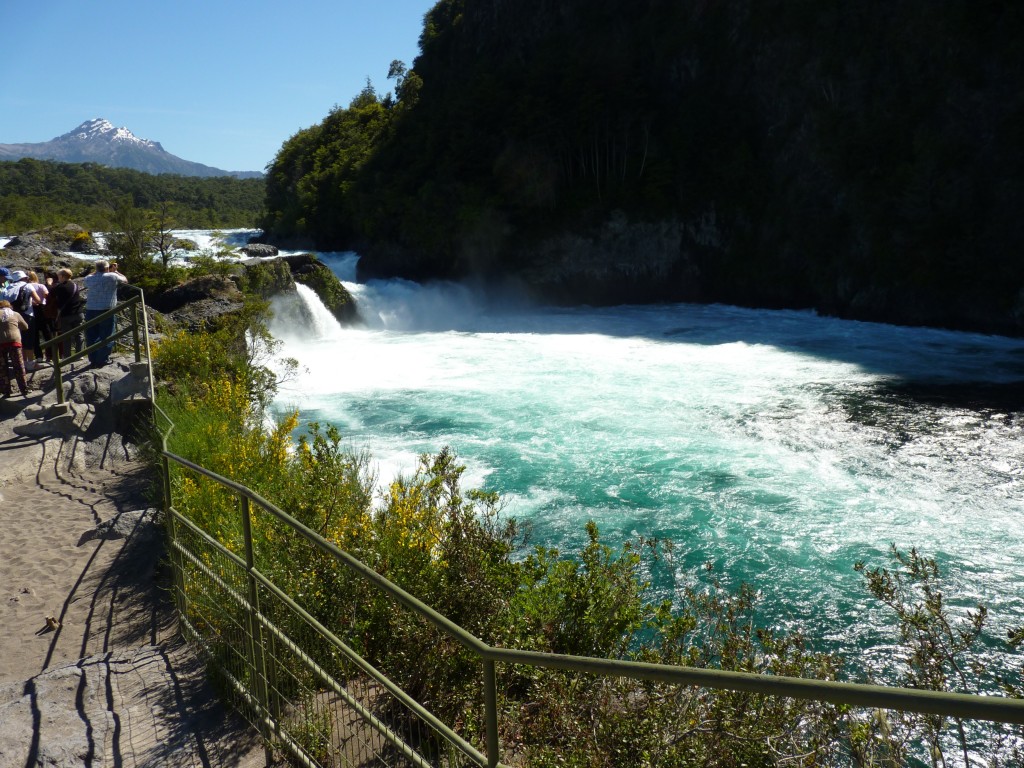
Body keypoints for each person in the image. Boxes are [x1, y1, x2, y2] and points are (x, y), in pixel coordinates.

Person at [82, 260, 128, 367]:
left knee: (91, 335)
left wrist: (96, 271)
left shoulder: (89, 278)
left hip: (91, 309)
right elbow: (125, 280)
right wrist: (116, 271)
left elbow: (87, 277)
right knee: (107, 335)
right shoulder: (112, 276)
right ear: (107, 268)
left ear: (96, 268)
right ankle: (102, 359)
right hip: (106, 309)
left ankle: (93, 359)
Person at [51, 268, 85, 358]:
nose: (58, 278)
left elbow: (51, 294)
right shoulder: (75, 285)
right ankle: (80, 354)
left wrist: (50, 284)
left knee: (66, 336)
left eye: (58, 276)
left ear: (62, 276)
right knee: (79, 334)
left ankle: (67, 356)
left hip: (66, 314)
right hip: (78, 312)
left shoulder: (60, 287)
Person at [0, 299, 30, 398]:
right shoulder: (15, 314)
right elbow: (25, 327)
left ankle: (6, 391)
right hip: (15, 342)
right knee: (19, 365)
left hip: (1, 343)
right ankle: (24, 389)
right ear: (9, 306)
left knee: (3, 368)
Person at [23, 271, 50, 369]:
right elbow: (47, 295)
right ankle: (50, 355)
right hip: (41, 309)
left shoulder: (25, 287)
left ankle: (38, 356)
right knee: (46, 332)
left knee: (34, 335)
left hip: (31, 310)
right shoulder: (41, 286)